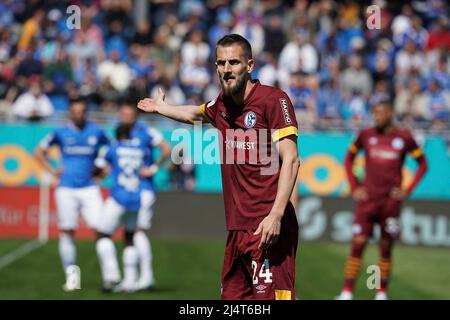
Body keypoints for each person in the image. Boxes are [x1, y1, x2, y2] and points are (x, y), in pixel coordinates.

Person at [138, 34, 301, 300]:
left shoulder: (274, 100)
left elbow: (291, 160)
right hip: (237, 229)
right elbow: (196, 113)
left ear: (250, 66)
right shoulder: (222, 105)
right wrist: (162, 108)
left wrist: (276, 216)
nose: (226, 69)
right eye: (221, 63)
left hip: (269, 228)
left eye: (234, 62)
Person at [336, 99, 428, 300]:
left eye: (380, 113)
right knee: (357, 245)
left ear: (389, 114)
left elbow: (422, 164)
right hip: (367, 201)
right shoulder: (366, 135)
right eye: (374, 113)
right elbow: (348, 158)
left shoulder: (404, 138)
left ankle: (380, 292)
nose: (376, 116)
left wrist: (407, 190)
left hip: (390, 203)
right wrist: (355, 187)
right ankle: (347, 292)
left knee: (385, 248)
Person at [34, 97, 109, 291]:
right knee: (67, 231)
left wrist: (102, 168)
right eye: (75, 111)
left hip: (90, 187)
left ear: (86, 112)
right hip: (66, 188)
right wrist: (52, 170)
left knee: (101, 229)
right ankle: (72, 279)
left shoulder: (96, 131)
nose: (79, 115)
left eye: (82, 111)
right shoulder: (60, 132)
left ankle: (110, 277)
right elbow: (39, 151)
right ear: (70, 113)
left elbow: (112, 148)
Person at [115, 102, 171, 290]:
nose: (124, 117)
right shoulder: (119, 133)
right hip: (127, 192)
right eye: (122, 114)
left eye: (128, 114)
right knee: (129, 233)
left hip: (144, 190)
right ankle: (131, 279)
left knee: (138, 231)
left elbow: (167, 148)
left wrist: (154, 168)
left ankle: (147, 276)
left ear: (135, 116)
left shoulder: (147, 132)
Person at [93, 124, 152, 292]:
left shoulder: (112, 147)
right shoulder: (140, 148)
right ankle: (130, 282)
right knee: (129, 237)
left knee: (102, 234)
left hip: (118, 197)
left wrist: (99, 175)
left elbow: (98, 167)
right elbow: (146, 166)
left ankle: (112, 277)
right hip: (136, 198)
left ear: (117, 135)